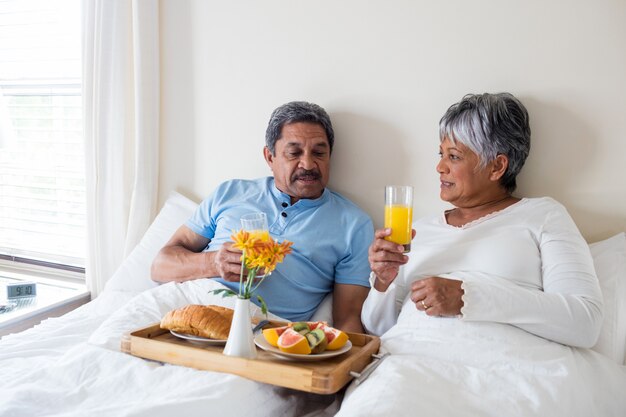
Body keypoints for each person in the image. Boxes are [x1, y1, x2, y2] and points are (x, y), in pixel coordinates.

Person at [364, 92, 603, 347]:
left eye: (454, 156)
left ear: (497, 167)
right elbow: (378, 328)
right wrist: (383, 281)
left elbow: (585, 324)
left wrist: (469, 297)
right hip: (411, 363)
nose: (440, 167)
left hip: (508, 368)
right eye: (440, 154)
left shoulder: (543, 215)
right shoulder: (415, 232)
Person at [151, 101, 374, 333]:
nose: (308, 164)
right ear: (270, 157)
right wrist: (213, 262)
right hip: (183, 307)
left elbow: (348, 320)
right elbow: (159, 267)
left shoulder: (354, 225)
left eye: (319, 153)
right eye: (294, 153)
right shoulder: (230, 193)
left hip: (262, 332)